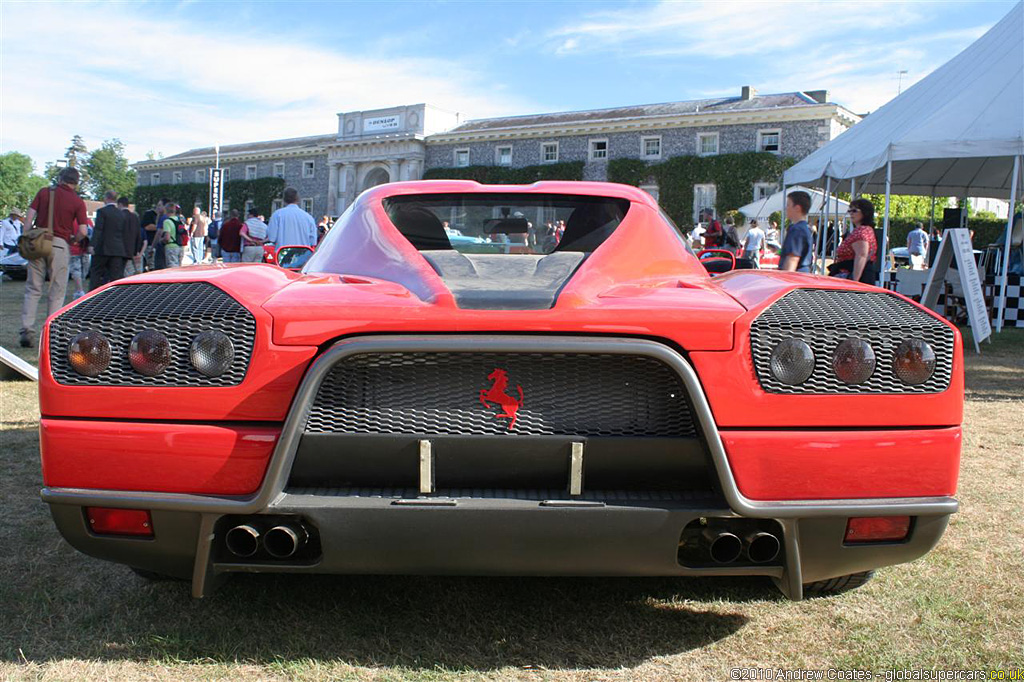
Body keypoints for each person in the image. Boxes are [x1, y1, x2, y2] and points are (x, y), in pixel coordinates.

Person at [18, 167, 89, 348]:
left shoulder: (44, 192)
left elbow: (28, 218)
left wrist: (28, 236)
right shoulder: (77, 201)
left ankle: (27, 328)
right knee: (57, 291)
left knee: (33, 288)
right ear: (76, 182)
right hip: (59, 244)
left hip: (38, 241)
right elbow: (82, 231)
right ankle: (50, 334)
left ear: (60, 179)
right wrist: (74, 239)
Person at [830, 198, 878, 283]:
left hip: (856, 276)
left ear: (865, 212)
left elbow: (862, 255)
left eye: (855, 211)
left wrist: (854, 281)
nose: (851, 213)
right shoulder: (864, 230)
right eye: (850, 211)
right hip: (856, 274)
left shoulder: (862, 231)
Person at [90, 190, 131, 288]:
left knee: (96, 273)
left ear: (106, 198)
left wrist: (92, 245)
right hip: (118, 249)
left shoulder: (102, 212)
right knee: (115, 277)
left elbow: (98, 229)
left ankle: (94, 294)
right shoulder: (122, 214)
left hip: (103, 248)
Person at [780, 191, 814, 273]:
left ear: (797, 208)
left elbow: (792, 259)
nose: (786, 208)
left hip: (795, 276)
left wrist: (785, 280)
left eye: (788, 205)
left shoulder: (797, 229)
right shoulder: (806, 228)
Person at [119, 196, 144, 277]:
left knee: (123, 272)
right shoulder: (135, 217)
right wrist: (137, 250)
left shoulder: (119, 215)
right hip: (132, 249)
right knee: (130, 271)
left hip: (120, 249)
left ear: (120, 204)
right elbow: (138, 234)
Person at [160, 203, 185, 268]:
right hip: (180, 246)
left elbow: (167, 237)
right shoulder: (179, 220)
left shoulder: (167, 221)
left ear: (166, 210)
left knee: (172, 267)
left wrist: (161, 240)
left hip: (171, 247)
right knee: (179, 266)